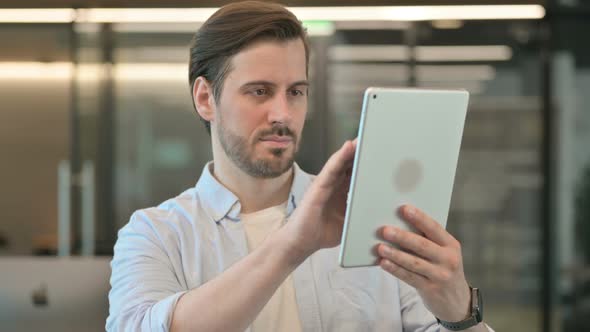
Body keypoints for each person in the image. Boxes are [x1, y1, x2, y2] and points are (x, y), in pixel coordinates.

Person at [107, 2, 494, 331]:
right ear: (206, 98)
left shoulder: (368, 218)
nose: (283, 114)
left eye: (296, 92)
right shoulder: (156, 234)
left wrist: (459, 312)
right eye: (259, 91)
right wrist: (293, 244)